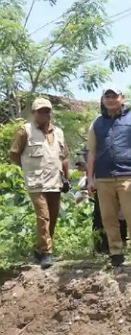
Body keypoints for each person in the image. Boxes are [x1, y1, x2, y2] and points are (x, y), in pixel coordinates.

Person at [85, 86, 131, 268]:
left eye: (114, 96)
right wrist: (90, 178)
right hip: (103, 177)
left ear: (122, 98)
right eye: (108, 96)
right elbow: (91, 152)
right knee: (108, 218)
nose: (111, 99)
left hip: (127, 175)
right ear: (103, 99)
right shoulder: (96, 122)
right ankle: (116, 253)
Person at [9, 98, 69, 268]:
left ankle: (39, 249)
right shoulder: (24, 131)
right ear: (33, 113)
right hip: (36, 181)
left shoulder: (58, 132)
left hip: (55, 180)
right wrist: (27, 167)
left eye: (47, 111)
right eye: (40, 111)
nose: (44, 114)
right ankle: (47, 252)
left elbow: (64, 156)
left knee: (53, 216)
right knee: (43, 216)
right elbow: (14, 154)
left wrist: (67, 177)